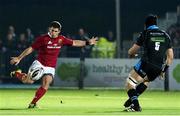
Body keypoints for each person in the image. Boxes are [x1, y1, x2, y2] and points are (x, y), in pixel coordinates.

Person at [10, 21, 97, 108]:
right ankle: (17, 73)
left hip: (50, 67)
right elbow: (31, 48)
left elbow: (74, 42)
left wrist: (87, 42)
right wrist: (19, 58)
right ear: (49, 29)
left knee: (46, 84)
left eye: (55, 31)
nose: (53, 33)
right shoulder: (43, 39)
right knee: (28, 81)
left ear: (59, 31)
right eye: (52, 30)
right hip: (40, 63)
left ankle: (33, 103)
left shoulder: (61, 39)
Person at [123, 14, 174, 112]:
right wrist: (164, 70)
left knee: (130, 83)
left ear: (146, 24)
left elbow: (131, 51)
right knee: (146, 81)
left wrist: (132, 54)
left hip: (146, 63)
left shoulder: (146, 33)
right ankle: (133, 100)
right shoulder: (166, 35)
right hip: (158, 67)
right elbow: (170, 57)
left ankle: (136, 105)